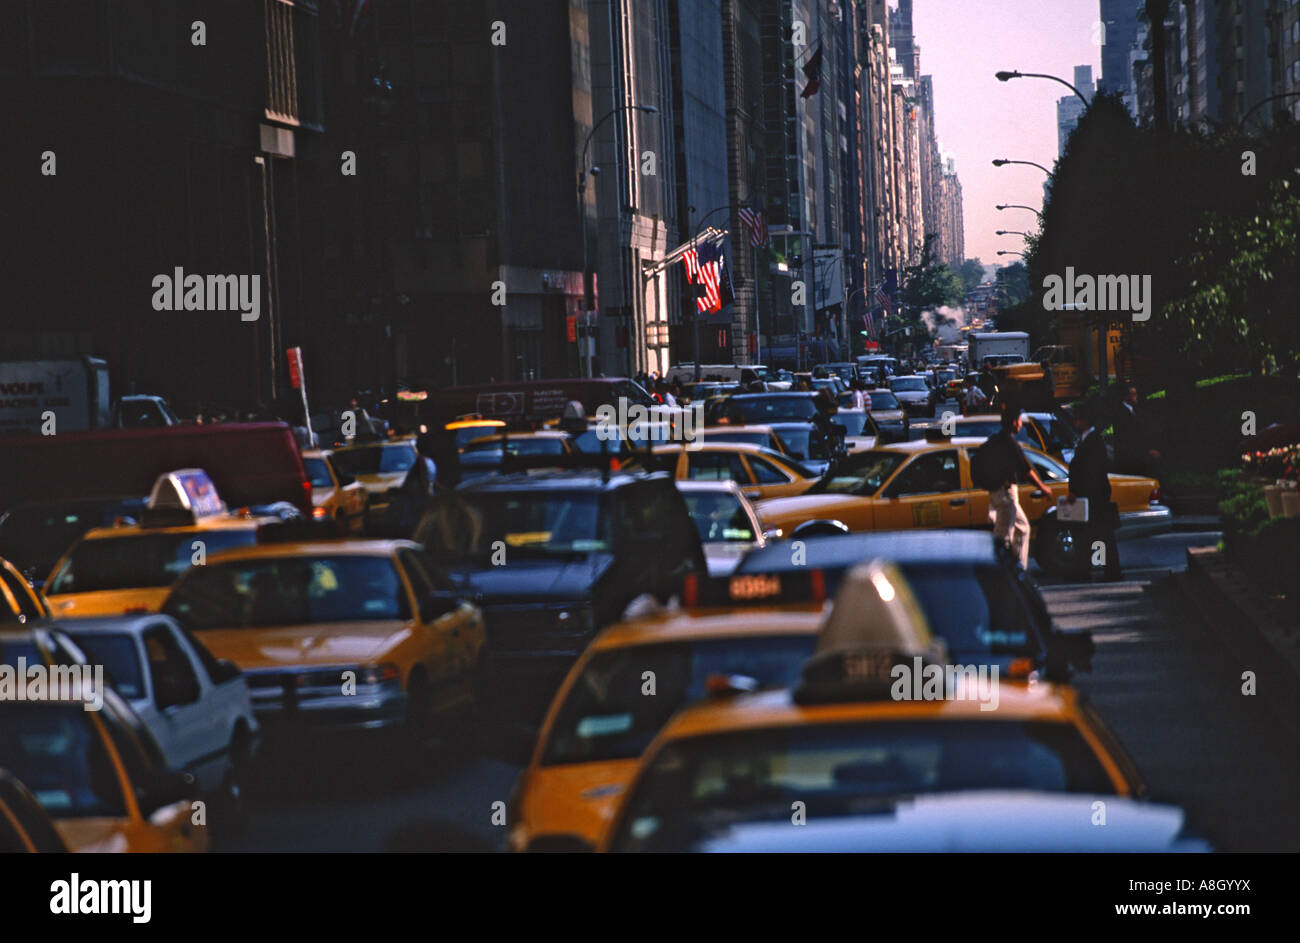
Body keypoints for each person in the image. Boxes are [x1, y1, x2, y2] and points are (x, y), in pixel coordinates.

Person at [985, 404, 1050, 570]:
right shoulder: (1009, 443)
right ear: (1014, 423)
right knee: (1004, 537)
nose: (1021, 424)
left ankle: (1019, 570)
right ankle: (1004, 575)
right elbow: (1026, 471)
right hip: (1006, 494)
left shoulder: (994, 440)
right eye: (1020, 420)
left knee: (1022, 529)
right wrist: (1043, 488)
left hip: (996, 493)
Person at [1067, 400, 1121, 581]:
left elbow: (1090, 470)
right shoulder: (1086, 440)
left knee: (1099, 536)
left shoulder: (1093, 441)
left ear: (1085, 420)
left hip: (1094, 496)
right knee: (1092, 535)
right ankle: (1091, 569)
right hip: (1091, 495)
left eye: (1077, 419)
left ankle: (1107, 570)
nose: (1075, 422)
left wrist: (1078, 490)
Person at [1113, 381, 1160, 476]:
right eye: (1133, 394)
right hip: (1129, 458)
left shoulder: (1135, 410)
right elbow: (1129, 437)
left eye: (1136, 394)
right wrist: (1147, 451)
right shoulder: (1121, 413)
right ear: (1126, 396)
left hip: (1136, 456)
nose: (1136, 397)